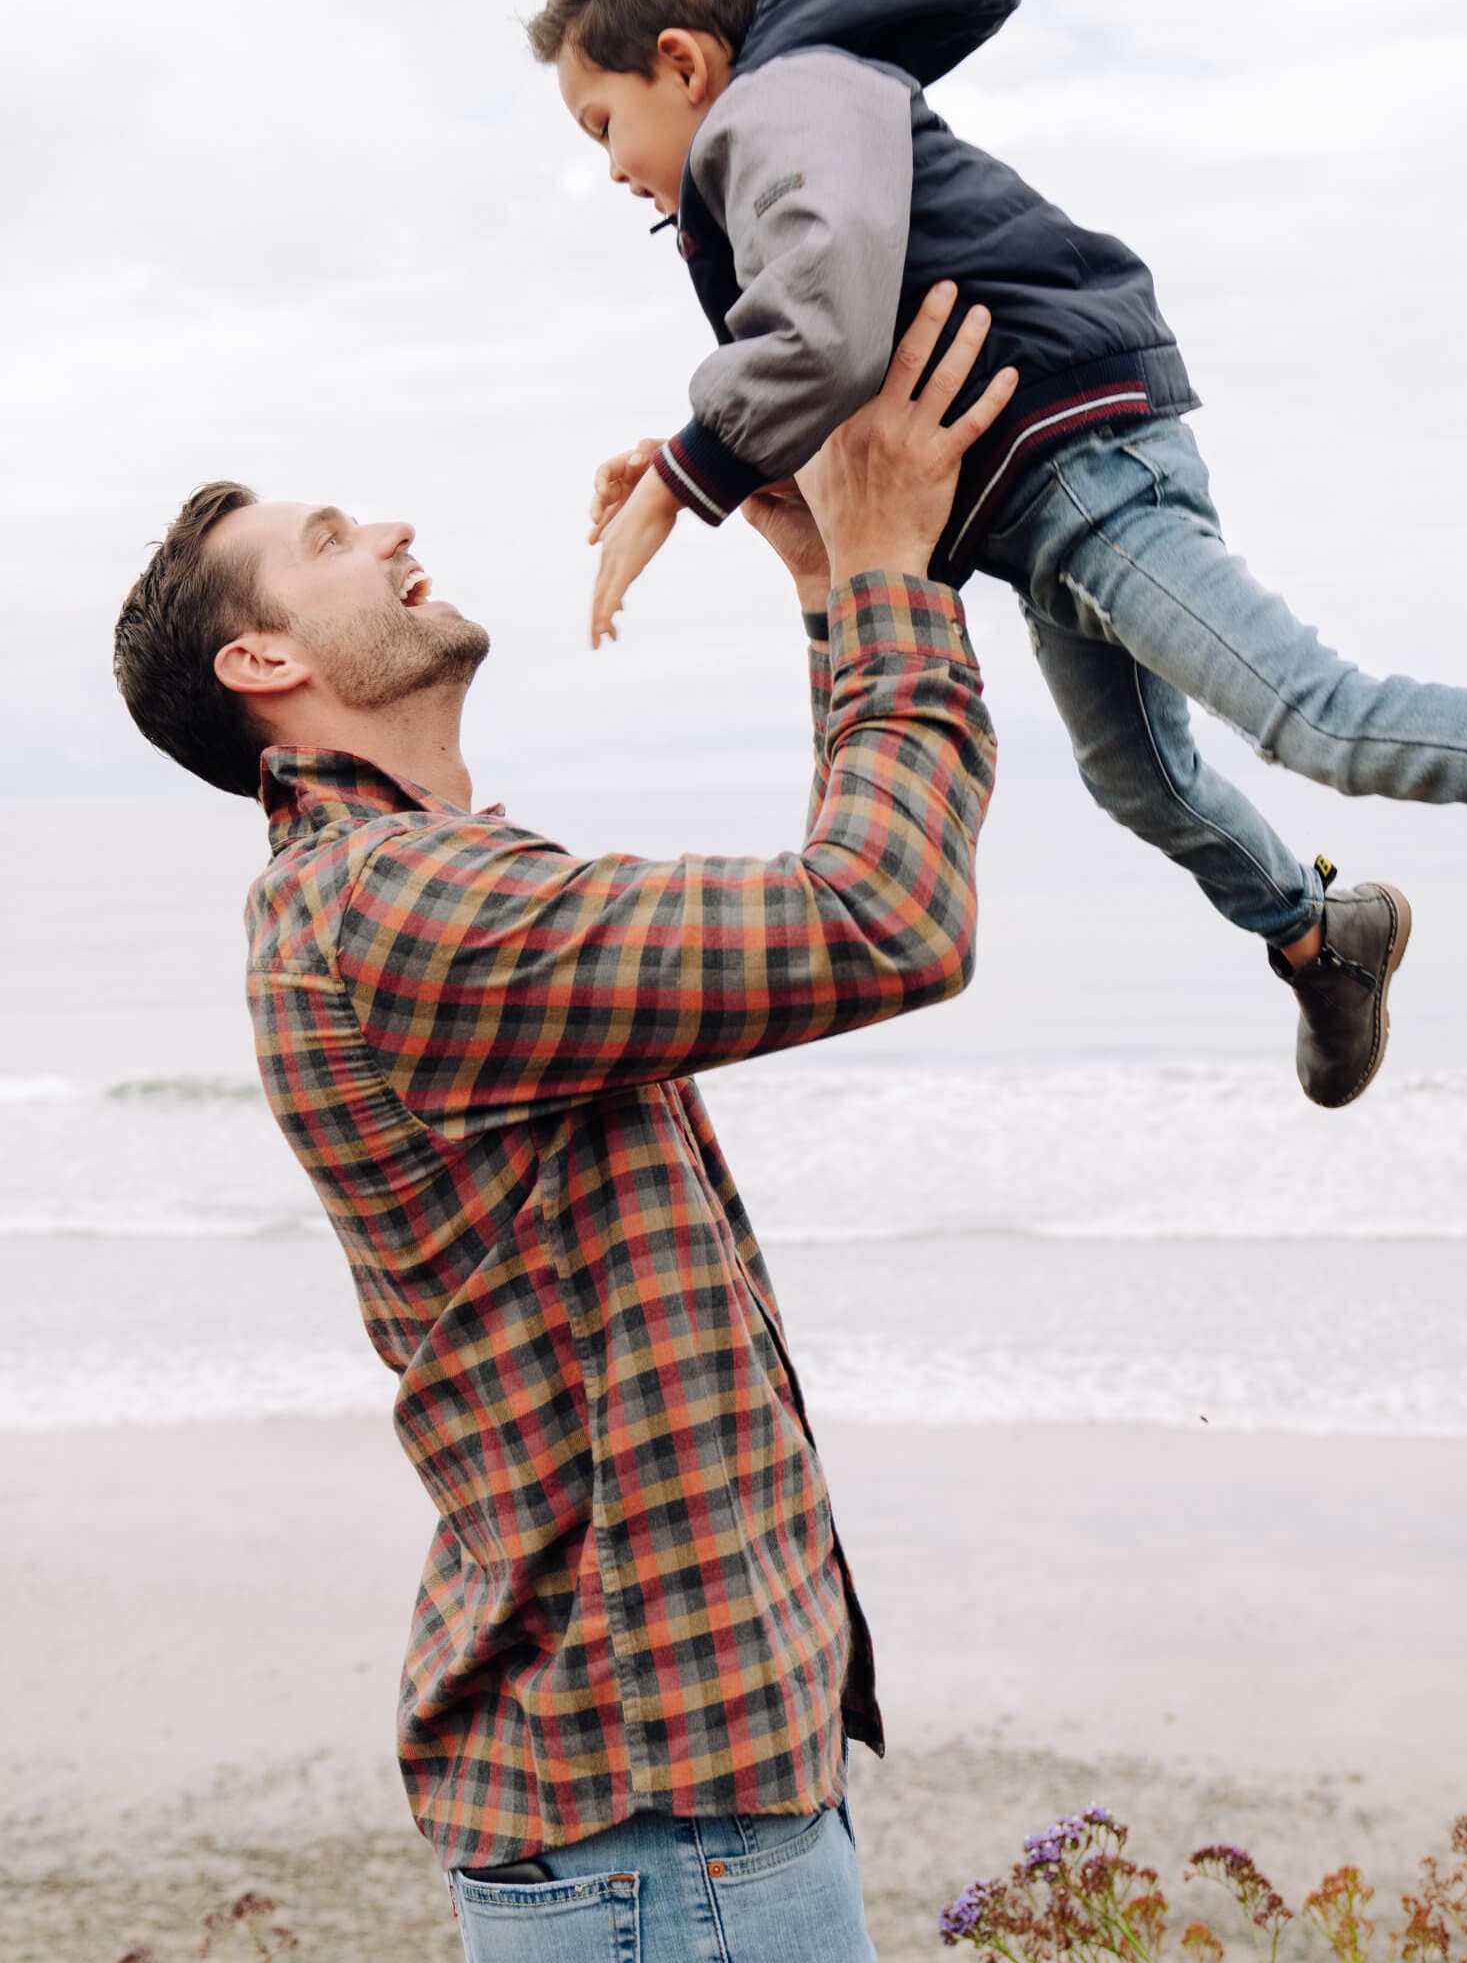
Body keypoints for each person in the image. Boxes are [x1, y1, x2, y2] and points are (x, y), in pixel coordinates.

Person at [111, 288, 1012, 1963]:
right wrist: (889, 571)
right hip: (662, 1825)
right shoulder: (399, 911)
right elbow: (889, 916)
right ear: (265, 661)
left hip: (665, 1809)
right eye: (328, 538)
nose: (389, 531)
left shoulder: (400, 894)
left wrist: (821, 578)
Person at [527, 0, 1467, 1109]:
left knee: (1323, 719)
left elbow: (824, 315)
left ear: (682, 60)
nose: (610, 166)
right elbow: (850, 358)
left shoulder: (783, 100)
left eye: (603, 122)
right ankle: (1324, 938)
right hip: (1040, 517)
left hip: (1087, 474)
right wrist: (741, 456)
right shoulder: (769, 148)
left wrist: (688, 472)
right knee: (1136, 779)